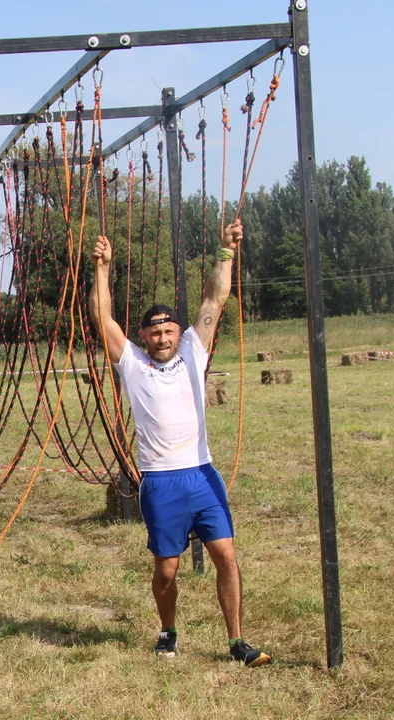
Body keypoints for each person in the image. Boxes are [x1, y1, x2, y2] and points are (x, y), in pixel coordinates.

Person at [88, 218, 272, 667]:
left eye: (169, 329)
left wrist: (226, 251)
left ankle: (236, 642)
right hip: (161, 482)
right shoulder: (131, 363)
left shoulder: (194, 347)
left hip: (201, 474)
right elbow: (101, 317)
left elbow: (214, 298)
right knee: (166, 568)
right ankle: (168, 631)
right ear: (145, 337)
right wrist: (103, 269)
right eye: (155, 332)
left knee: (226, 556)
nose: (164, 337)